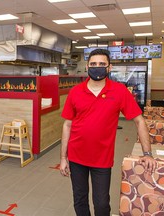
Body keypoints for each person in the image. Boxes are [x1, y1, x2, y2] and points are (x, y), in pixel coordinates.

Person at [59, 49, 157, 216]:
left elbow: (139, 120)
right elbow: (67, 125)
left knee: (102, 204)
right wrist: (63, 158)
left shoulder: (119, 91)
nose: (97, 67)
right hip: (76, 157)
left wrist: (147, 153)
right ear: (88, 67)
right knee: (80, 199)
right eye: (93, 64)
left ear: (109, 68)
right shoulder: (75, 92)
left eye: (102, 64)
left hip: (102, 159)